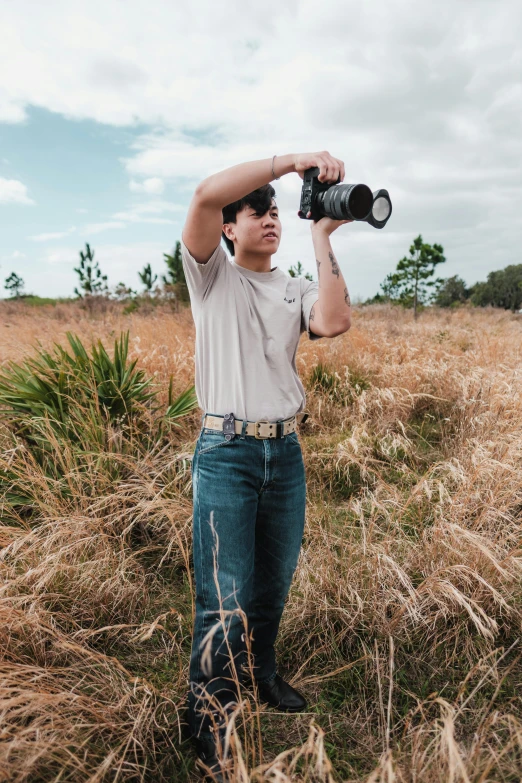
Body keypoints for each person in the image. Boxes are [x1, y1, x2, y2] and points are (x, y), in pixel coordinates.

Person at [181, 151, 352, 780]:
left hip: (285, 453)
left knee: (270, 588)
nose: (268, 215)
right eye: (256, 209)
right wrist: (285, 163)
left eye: (274, 209)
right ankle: (210, 715)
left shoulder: (294, 287)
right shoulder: (213, 279)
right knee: (222, 598)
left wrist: (321, 231)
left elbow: (333, 320)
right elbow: (203, 195)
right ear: (230, 228)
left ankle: (261, 675)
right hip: (225, 453)